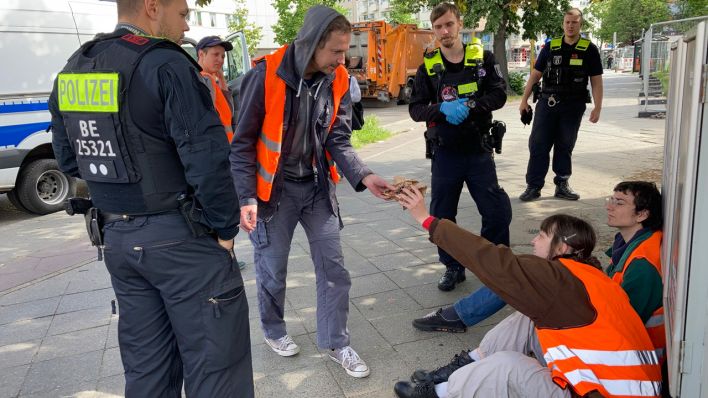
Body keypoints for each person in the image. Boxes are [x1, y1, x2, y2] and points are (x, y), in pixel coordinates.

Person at [48, 0, 253, 396]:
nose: (187, 23)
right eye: (183, 13)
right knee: (217, 367)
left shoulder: (74, 67)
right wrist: (225, 231)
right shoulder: (167, 64)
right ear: (152, 7)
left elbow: (70, 159)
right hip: (182, 241)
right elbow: (207, 159)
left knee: (146, 370)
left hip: (118, 241)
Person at [230, 5, 393, 378]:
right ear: (312, 43)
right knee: (272, 269)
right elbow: (241, 146)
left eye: (344, 51)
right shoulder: (265, 76)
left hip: (317, 188)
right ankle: (273, 330)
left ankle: (338, 342)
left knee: (334, 268)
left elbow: (339, 138)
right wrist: (246, 198)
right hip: (274, 195)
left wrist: (365, 176)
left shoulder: (336, 80)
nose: (343, 59)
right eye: (336, 51)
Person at [393, 187, 662, 398]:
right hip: (606, 385)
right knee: (527, 319)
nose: (534, 239)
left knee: (508, 367)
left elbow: (493, 260)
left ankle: (440, 394)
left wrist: (426, 219)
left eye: (543, 235)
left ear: (562, 248)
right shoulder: (587, 275)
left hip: (601, 393)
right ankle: (467, 364)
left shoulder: (557, 280)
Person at [408, 2, 511, 295]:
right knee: (442, 215)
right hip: (446, 152)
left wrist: (473, 105)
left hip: (478, 149)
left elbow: (500, 93)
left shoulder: (482, 58)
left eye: (449, 24)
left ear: (459, 24)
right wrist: (441, 108)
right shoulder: (429, 66)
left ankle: (495, 266)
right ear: (434, 29)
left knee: (495, 212)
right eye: (438, 26)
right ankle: (452, 266)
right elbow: (415, 109)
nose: (444, 31)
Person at [518, 8, 603, 202]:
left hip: (573, 105)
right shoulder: (550, 47)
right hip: (547, 103)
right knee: (538, 144)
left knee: (565, 144)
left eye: (574, 22)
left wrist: (598, 107)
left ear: (580, 24)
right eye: (567, 22)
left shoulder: (589, 49)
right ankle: (534, 186)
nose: (570, 26)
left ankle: (562, 184)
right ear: (563, 23)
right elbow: (536, 74)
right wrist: (524, 99)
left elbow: (596, 80)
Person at [605, 181, 664, 358]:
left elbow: (622, 325)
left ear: (642, 214)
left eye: (619, 203)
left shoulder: (642, 265)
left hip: (633, 359)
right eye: (611, 200)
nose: (609, 207)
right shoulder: (628, 243)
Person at [197, 35, 235, 142]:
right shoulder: (205, 79)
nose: (221, 60)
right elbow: (209, 119)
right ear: (201, 54)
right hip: (220, 145)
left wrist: (222, 79)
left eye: (223, 56)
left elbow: (228, 112)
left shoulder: (210, 79)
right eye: (216, 54)